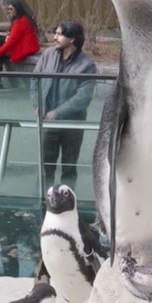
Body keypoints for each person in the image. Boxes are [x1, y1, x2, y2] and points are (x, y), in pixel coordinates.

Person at [29, 20, 97, 189]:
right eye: (55, 33)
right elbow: (34, 80)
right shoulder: (47, 55)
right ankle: (44, 203)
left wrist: (58, 112)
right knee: (45, 167)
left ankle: (67, 204)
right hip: (47, 122)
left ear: (72, 39)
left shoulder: (87, 65)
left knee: (69, 168)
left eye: (59, 34)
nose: (55, 37)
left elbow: (83, 97)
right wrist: (37, 104)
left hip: (72, 125)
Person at [0, 1, 40, 88]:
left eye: (11, 9)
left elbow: (12, 41)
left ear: (17, 9)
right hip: (25, 46)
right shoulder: (24, 18)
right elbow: (13, 35)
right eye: (8, 9)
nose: (9, 11)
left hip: (24, 49)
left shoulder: (20, 21)